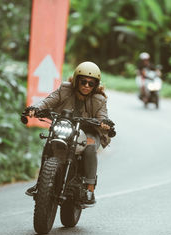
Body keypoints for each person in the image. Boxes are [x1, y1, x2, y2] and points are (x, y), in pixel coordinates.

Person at [23, 61, 112, 205]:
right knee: (50, 140)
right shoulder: (65, 89)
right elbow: (48, 102)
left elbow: (103, 116)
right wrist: (35, 108)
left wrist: (105, 123)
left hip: (88, 131)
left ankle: (89, 188)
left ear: (95, 85)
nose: (86, 86)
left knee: (89, 147)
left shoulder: (99, 100)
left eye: (91, 83)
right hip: (66, 127)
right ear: (76, 80)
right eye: (83, 81)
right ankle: (41, 182)